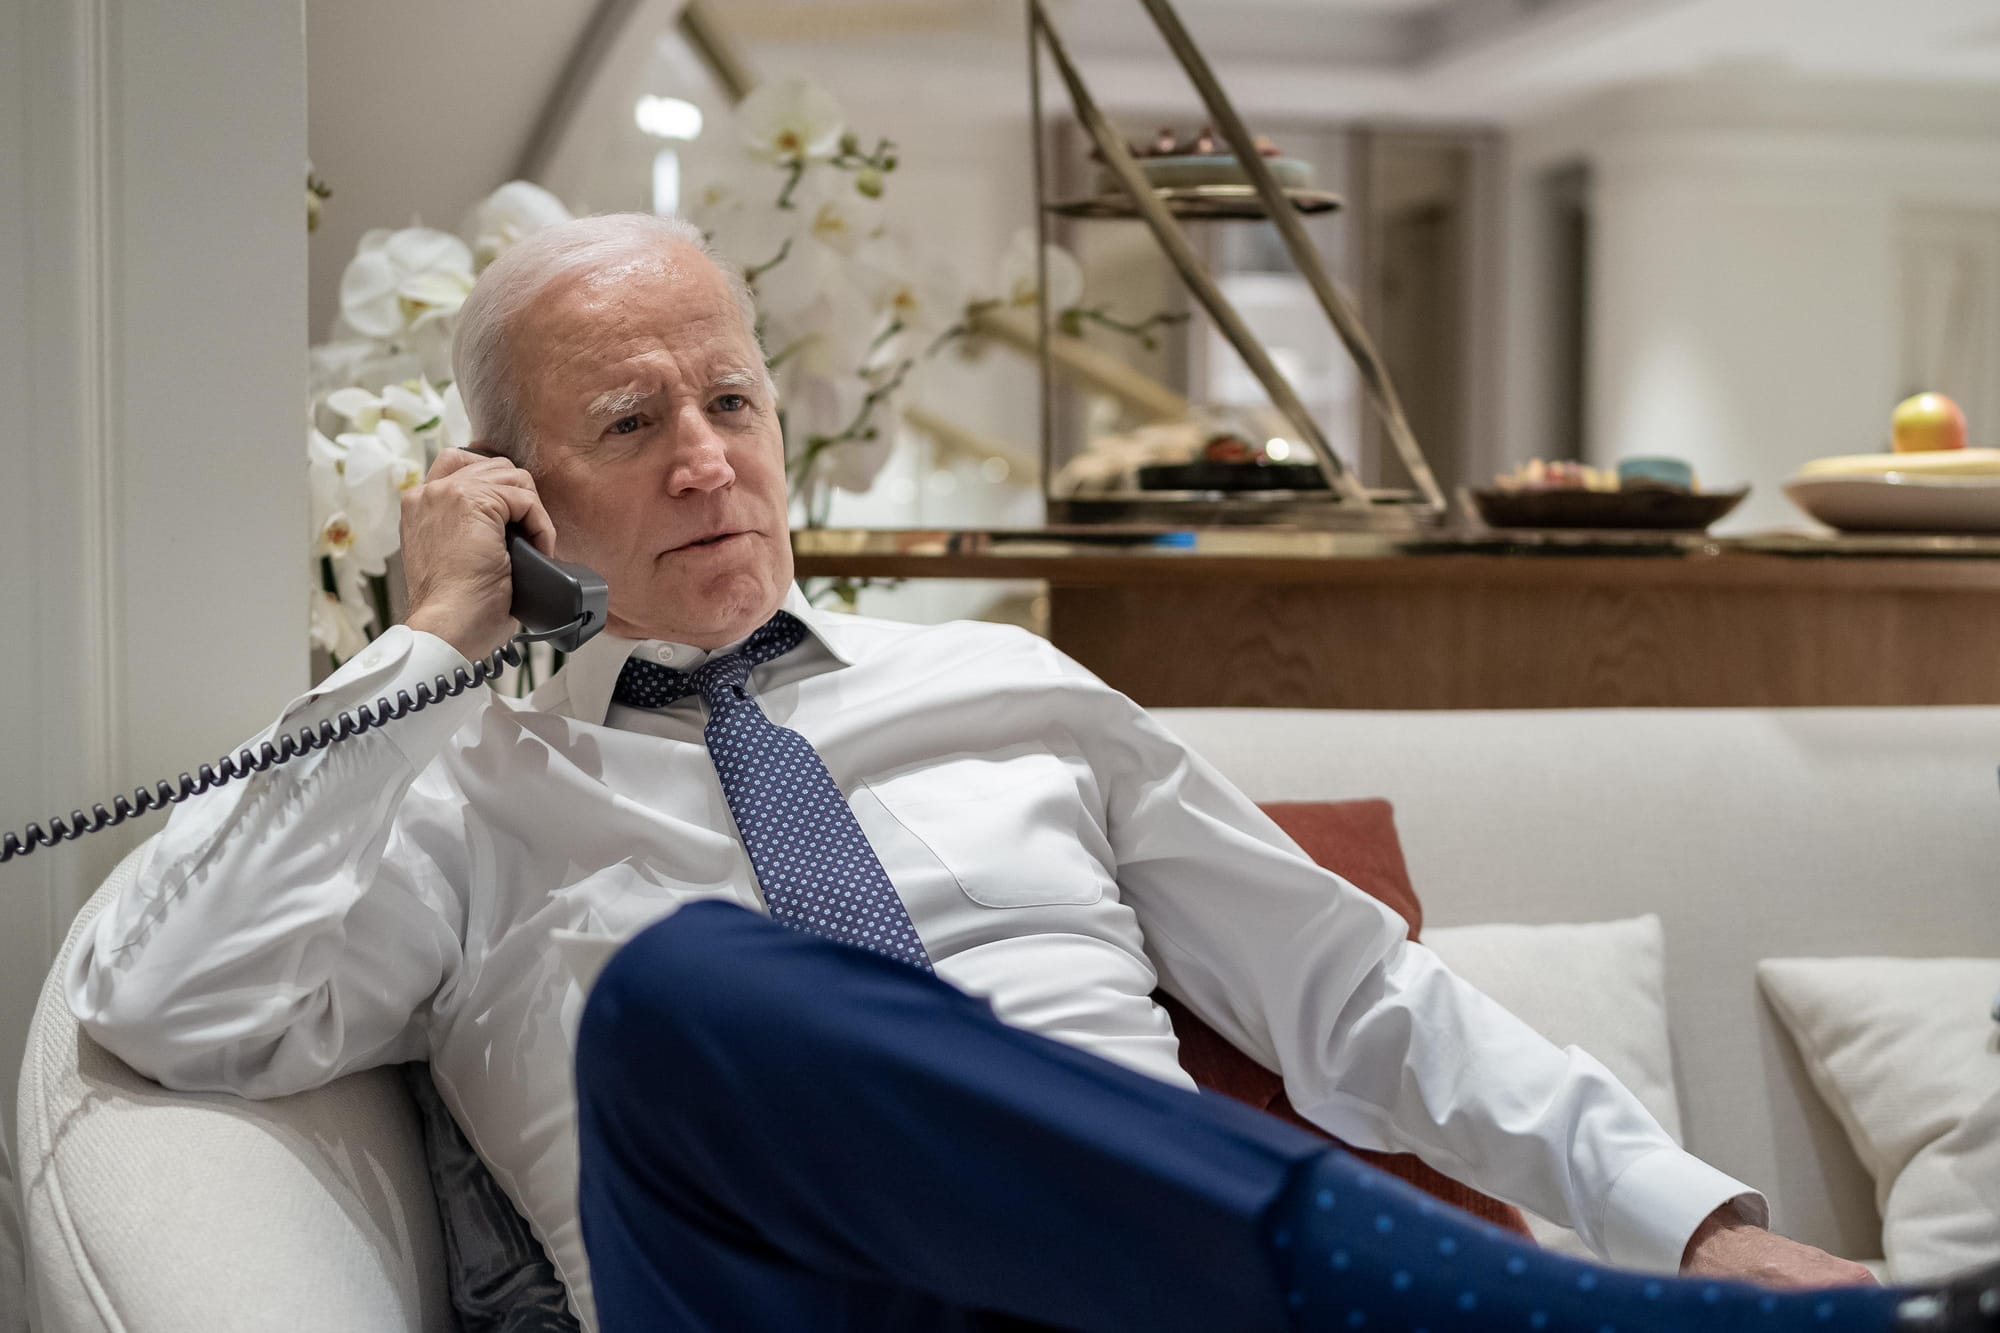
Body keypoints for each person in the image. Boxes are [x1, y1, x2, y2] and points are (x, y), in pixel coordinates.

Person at [64, 214, 1992, 1333]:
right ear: (507, 487)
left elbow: (1355, 994)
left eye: (731, 400)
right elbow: (161, 1003)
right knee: (690, 990)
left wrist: (1705, 1223)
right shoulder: (454, 781)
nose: (709, 462)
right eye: (631, 423)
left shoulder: (1008, 686)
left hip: (1149, 1297)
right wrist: (424, 645)